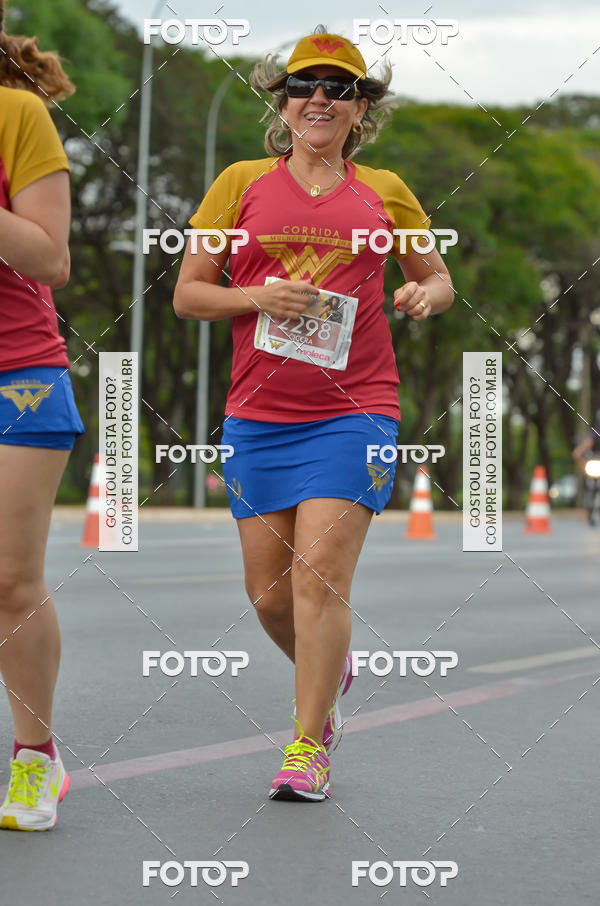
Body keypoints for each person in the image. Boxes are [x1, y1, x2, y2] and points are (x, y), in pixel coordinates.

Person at [174, 27, 453, 802]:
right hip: (258, 413)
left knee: (318, 579)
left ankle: (308, 743)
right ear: (284, 102)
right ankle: (327, 670)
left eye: (339, 87)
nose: (320, 98)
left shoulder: (386, 190)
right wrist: (255, 295)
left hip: (355, 410)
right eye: (304, 86)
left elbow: (438, 278)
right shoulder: (239, 184)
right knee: (269, 596)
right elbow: (188, 292)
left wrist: (420, 295)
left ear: (363, 108)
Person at [0, 3, 83, 831]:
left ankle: (35, 761)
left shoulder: (16, 113)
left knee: (8, 579)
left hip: (15, 373)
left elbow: (50, 257)